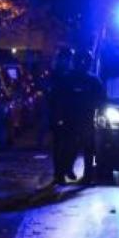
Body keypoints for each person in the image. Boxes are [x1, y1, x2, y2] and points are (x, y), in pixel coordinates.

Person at [69, 50, 105, 184]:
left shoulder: (93, 80)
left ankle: (88, 175)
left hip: (87, 118)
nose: (83, 64)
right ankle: (67, 169)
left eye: (86, 61)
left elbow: (102, 97)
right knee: (71, 147)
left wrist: (99, 110)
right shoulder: (69, 78)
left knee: (88, 148)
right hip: (71, 119)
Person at [47, 47, 74, 184]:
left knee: (66, 145)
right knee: (61, 146)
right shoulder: (59, 75)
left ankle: (63, 171)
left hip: (66, 114)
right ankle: (60, 173)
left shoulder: (66, 75)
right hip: (61, 114)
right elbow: (52, 96)